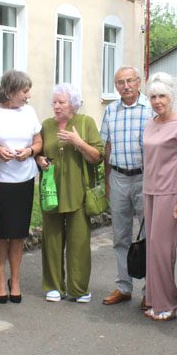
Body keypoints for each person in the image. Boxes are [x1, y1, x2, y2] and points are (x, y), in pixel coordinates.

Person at [35, 84, 104, 303]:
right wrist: (40, 160)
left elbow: (97, 156)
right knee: (52, 241)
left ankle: (78, 289)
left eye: (61, 102)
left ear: (73, 103)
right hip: (51, 191)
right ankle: (54, 286)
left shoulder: (86, 123)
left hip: (78, 192)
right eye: (54, 102)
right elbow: (38, 154)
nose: (56, 106)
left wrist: (78, 142)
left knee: (79, 242)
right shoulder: (46, 125)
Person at [0, 70, 42, 304]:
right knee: (0, 233)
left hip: (23, 179)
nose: (28, 95)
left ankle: (15, 280)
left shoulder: (29, 112)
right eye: (25, 91)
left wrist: (29, 152)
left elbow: (38, 141)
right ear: (11, 91)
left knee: (17, 234)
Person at [99, 66, 152, 306]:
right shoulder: (110, 110)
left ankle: (150, 290)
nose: (126, 86)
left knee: (148, 236)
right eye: (120, 82)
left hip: (144, 179)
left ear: (139, 82)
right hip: (119, 178)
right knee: (120, 236)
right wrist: (107, 179)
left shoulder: (150, 109)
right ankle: (123, 286)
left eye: (130, 81)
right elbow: (106, 147)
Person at [141, 73, 177, 321]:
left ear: (171, 97)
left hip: (170, 192)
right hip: (149, 191)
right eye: (153, 96)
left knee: (163, 249)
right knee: (152, 248)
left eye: (162, 96)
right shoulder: (151, 123)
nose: (157, 101)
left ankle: (167, 302)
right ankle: (154, 299)